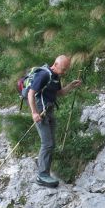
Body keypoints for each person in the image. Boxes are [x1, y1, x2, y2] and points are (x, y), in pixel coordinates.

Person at [27, 54, 82, 187]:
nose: (64, 72)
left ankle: (44, 171)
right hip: (41, 111)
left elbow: (59, 93)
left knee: (51, 143)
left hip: (49, 110)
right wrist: (34, 113)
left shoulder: (55, 76)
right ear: (55, 64)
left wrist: (71, 86)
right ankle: (42, 175)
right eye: (63, 69)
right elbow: (31, 93)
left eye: (66, 69)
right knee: (47, 143)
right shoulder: (44, 75)